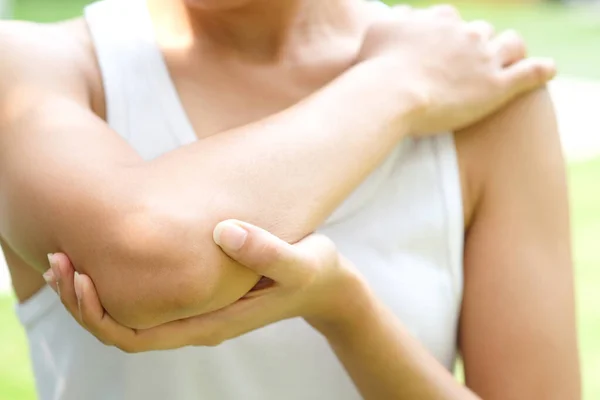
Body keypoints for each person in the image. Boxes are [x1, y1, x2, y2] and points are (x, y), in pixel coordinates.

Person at [0, 0, 579, 399]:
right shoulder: (33, 68)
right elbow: (155, 266)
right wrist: (397, 87)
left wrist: (349, 314)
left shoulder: (490, 96)